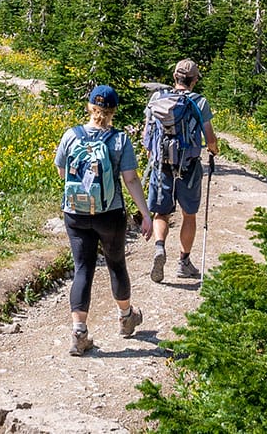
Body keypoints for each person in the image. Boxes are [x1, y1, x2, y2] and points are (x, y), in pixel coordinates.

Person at [56, 83, 153, 355]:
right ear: (113, 112)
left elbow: (62, 172)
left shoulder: (71, 136)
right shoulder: (120, 140)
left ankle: (79, 332)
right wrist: (144, 214)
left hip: (75, 212)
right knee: (116, 263)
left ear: (90, 107)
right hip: (109, 214)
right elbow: (131, 179)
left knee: (82, 268)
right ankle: (125, 318)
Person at [145, 58, 220, 284]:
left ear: (175, 78)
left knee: (161, 212)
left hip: (161, 164)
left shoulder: (157, 99)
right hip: (188, 166)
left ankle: (160, 247)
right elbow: (210, 138)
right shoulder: (199, 102)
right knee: (189, 214)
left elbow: (147, 135)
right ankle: (184, 262)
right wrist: (214, 150)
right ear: (194, 80)